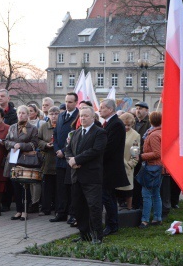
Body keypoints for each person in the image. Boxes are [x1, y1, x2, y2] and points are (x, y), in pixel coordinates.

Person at [65, 107, 107, 243]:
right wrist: (71, 161)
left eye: (86, 116)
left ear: (93, 117)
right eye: (81, 116)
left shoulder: (99, 133)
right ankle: (84, 234)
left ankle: (97, 236)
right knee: (78, 207)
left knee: (94, 207)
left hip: (92, 177)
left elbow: (96, 150)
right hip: (76, 176)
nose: (82, 118)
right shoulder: (76, 133)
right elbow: (68, 150)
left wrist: (77, 160)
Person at [3, 105, 39, 221]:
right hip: (13, 159)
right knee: (15, 186)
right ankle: (18, 210)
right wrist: (13, 145)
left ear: (28, 115)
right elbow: (6, 141)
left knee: (25, 187)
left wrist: (21, 146)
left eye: (24, 113)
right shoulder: (12, 127)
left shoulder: (32, 128)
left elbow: (34, 144)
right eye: (19, 113)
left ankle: (25, 211)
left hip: (25, 160)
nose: (21, 115)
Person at [99, 98, 128, 236]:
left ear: (110, 109)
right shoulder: (109, 123)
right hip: (107, 167)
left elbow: (109, 148)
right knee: (108, 197)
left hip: (110, 168)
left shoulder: (115, 124)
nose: (99, 110)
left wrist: (95, 157)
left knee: (108, 197)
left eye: (102, 107)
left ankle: (112, 225)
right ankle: (112, 223)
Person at [50, 93, 79, 223]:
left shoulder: (78, 116)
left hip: (70, 157)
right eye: (66, 101)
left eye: (71, 102)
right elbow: (55, 134)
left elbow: (75, 137)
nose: (68, 104)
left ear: (76, 102)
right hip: (60, 158)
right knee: (60, 187)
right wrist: (57, 149)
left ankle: (73, 214)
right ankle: (61, 213)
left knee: (72, 188)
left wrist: (63, 151)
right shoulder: (61, 115)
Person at [138, 111, 163, 228]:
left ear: (151, 121)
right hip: (157, 166)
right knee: (156, 193)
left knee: (146, 194)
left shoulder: (153, 135)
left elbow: (157, 153)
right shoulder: (159, 132)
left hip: (152, 166)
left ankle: (145, 220)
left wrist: (141, 156)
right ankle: (157, 217)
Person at [116, 112, 140, 210]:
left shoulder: (135, 135)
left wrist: (130, 165)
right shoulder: (116, 132)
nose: (126, 127)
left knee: (128, 190)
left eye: (129, 125)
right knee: (115, 190)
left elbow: (135, 152)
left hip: (127, 166)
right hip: (115, 166)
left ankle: (129, 210)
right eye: (124, 124)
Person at [38, 106, 59, 216]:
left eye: (56, 114)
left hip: (58, 160)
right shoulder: (44, 126)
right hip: (47, 160)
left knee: (58, 187)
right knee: (46, 187)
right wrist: (45, 145)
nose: (54, 116)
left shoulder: (61, 126)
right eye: (52, 114)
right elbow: (38, 140)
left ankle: (57, 209)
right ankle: (45, 208)